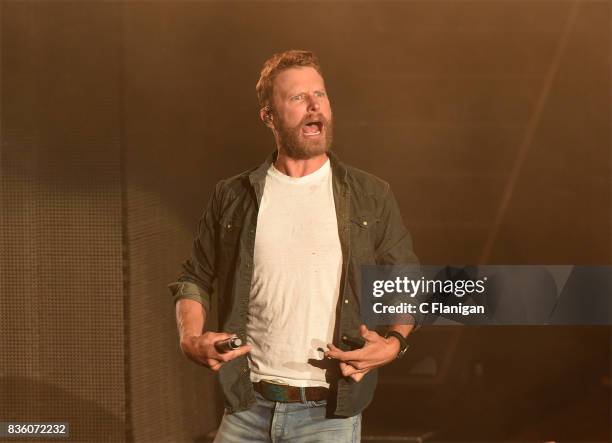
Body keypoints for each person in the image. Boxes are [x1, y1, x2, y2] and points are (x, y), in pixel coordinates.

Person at [169, 49, 420, 443]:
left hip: (328, 416)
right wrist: (190, 338)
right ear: (269, 116)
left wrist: (395, 343)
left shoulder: (370, 195)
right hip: (246, 408)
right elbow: (195, 276)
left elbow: (405, 278)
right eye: (298, 98)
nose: (314, 106)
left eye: (319, 94)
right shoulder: (233, 195)